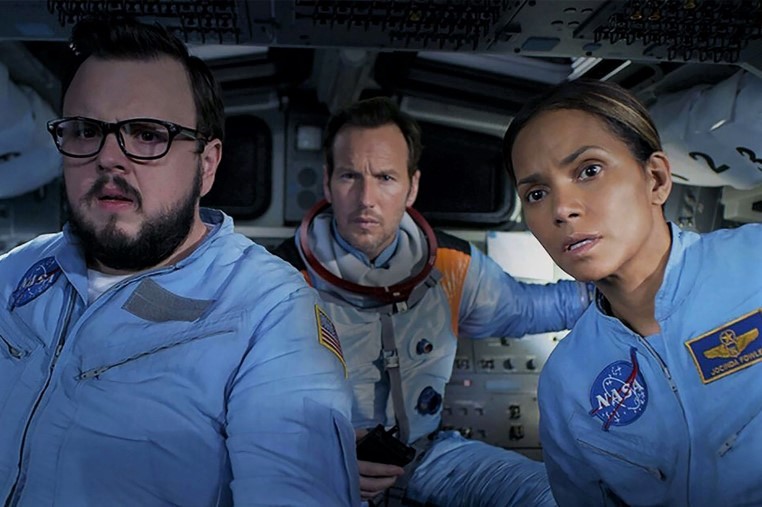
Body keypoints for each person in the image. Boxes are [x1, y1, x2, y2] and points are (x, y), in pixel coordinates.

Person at [0, 17, 359, 506]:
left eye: (148, 134)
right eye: (85, 131)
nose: (109, 158)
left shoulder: (270, 311)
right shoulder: (16, 273)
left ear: (206, 164)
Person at [274, 96, 593, 505]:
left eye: (385, 177)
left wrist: (630, 284)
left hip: (426, 456)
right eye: (350, 176)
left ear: (412, 187)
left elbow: (533, 308)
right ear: (327, 183)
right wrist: (315, 455)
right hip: (316, 463)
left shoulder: (450, 265)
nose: (366, 197)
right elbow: (239, 404)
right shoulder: (279, 279)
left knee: (557, 497)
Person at [503, 79, 762, 506]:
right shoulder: (566, 381)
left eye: (589, 170)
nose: (562, 209)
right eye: (536, 193)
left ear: (656, 179)